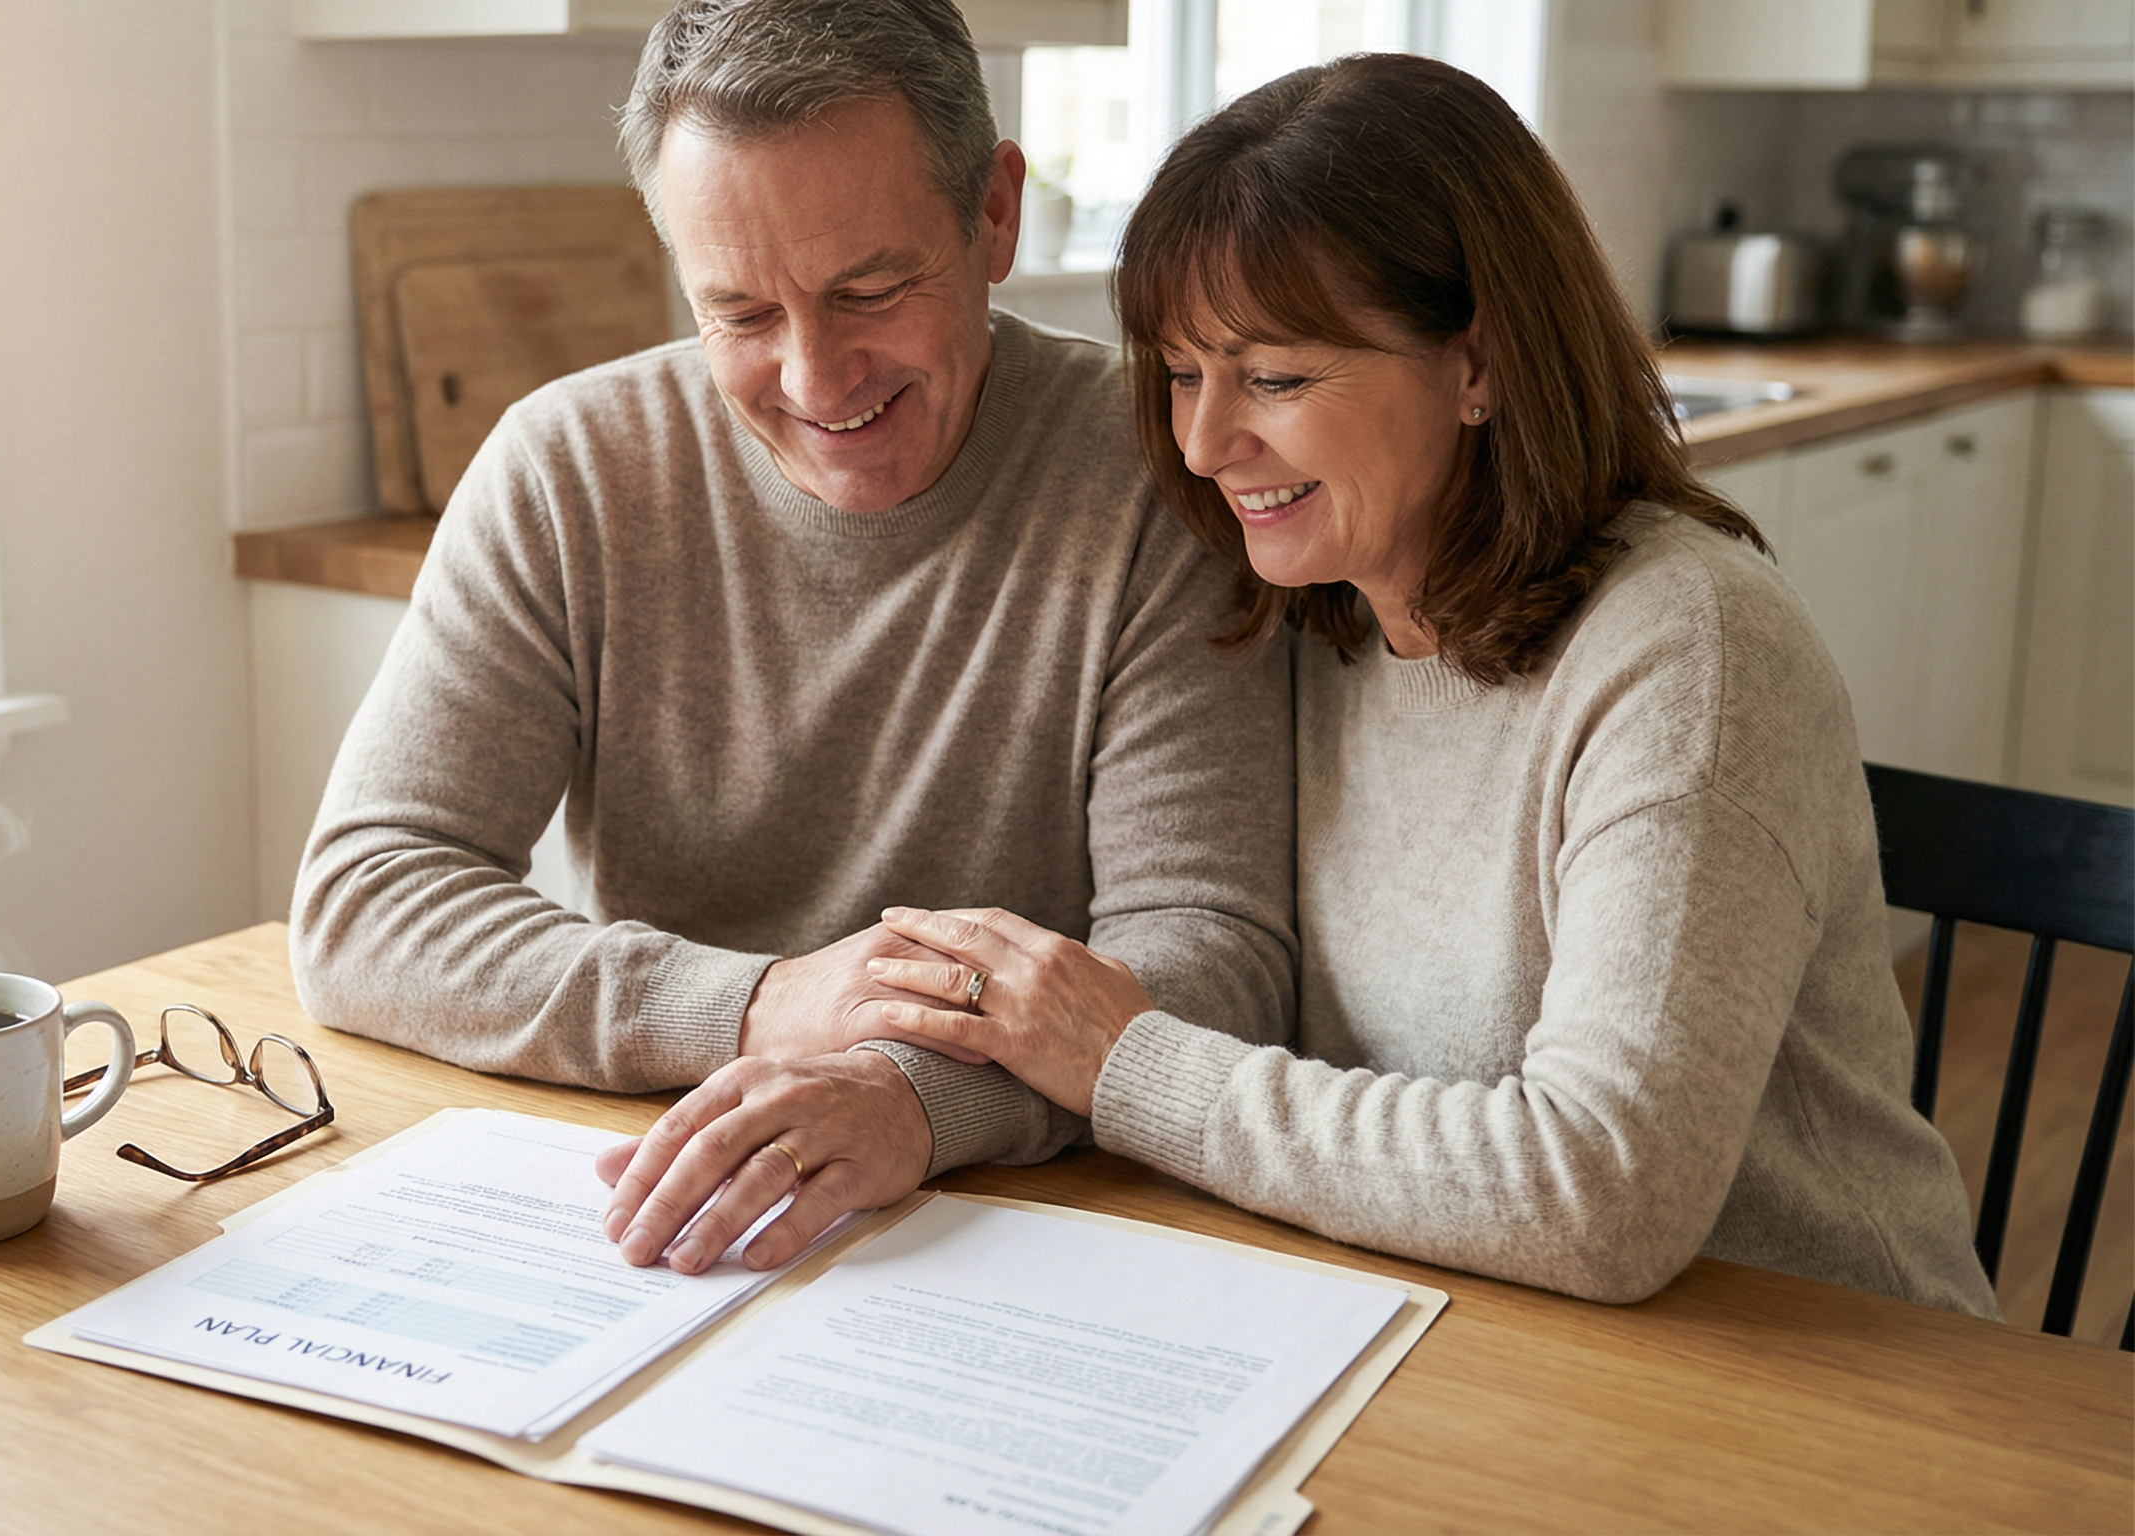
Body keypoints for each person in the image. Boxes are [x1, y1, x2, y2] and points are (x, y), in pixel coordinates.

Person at [616, 53, 1999, 1316]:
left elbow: (1602, 1195)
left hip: (1830, 1377)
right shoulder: (1316, 617)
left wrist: (1124, 1062)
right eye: (1179, 374)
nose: (1209, 442)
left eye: (1273, 375)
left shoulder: (1686, 648)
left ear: (1479, 361)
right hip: (1484, 1331)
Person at [291, 0, 1295, 1276]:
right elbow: (365, 900)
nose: (818, 383)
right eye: (741, 314)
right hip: (647, 1199)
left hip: (1032, 1227)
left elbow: (1213, 957)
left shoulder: (1159, 478)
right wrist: (759, 1008)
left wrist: (915, 1101)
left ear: (994, 214)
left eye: (869, 291)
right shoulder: (568, 468)